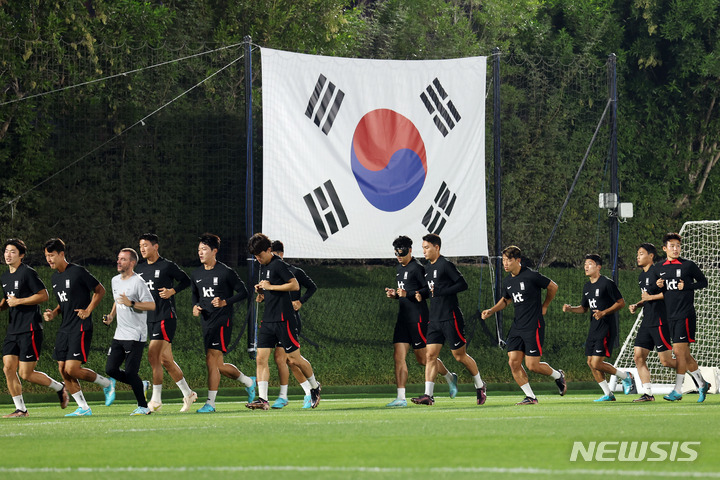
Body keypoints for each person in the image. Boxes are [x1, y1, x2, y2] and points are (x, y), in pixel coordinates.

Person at [481, 245, 566, 405]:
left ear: (518, 260)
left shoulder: (531, 276)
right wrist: (491, 310)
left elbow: (553, 286)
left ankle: (557, 376)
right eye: (504, 260)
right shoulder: (508, 281)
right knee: (513, 361)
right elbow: (506, 300)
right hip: (517, 326)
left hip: (533, 325)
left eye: (509, 260)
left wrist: (545, 305)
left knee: (532, 365)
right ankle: (531, 397)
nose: (505, 263)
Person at [247, 233, 322, 410]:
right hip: (268, 320)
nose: (258, 259)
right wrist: (262, 294)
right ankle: (263, 399)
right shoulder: (263, 266)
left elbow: (294, 285)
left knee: (294, 359)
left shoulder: (278, 264)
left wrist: (270, 287)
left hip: (284, 319)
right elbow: (272, 290)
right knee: (261, 358)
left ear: (268, 250)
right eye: (255, 256)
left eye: (260, 255)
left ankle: (315, 386)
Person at [411, 233, 487, 406]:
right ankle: (428, 396)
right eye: (423, 248)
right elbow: (431, 291)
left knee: (460, 356)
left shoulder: (446, 265)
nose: (424, 251)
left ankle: (480, 385)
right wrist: (421, 294)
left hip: (451, 318)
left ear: (436, 248)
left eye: (427, 247)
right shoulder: (427, 268)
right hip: (435, 320)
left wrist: (442, 291)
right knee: (430, 356)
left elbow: (462, 284)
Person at [43, 238, 115, 416]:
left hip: (80, 326)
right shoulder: (54, 278)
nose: (49, 259)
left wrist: (89, 310)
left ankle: (107, 383)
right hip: (64, 327)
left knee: (72, 369)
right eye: (46, 256)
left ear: (61, 254)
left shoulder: (77, 272)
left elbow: (100, 290)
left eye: (52, 255)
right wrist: (54, 313)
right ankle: (83, 407)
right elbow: (64, 303)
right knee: (62, 369)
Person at [385, 235, 458, 408]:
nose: (399, 257)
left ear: (410, 250)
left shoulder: (418, 268)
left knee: (423, 359)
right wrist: (395, 295)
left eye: (402, 253)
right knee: (398, 356)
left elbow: (427, 290)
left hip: (417, 318)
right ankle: (401, 397)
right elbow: (404, 292)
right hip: (403, 318)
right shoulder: (399, 268)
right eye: (397, 254)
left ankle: (449, 376)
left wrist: (408, 294)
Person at [1, 238, 68, 418]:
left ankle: (59, 387)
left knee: (26, 373)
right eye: (6, 251)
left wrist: (19, 301)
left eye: (13, 251)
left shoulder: (28, 273)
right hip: (13, 329)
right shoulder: (5, 276)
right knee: (8, 368)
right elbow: (8, 299)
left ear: (21, 255)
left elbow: (43, 295)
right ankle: (21, 409)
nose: (8, 254)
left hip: (30, 328)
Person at [191, 233, 255, 413]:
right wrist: (195, 307)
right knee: (218, 365)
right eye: (199, 250)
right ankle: (249, 382)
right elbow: (195, 295)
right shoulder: (196, 274)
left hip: (222, 321)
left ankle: (210, 403)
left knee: (211, 359)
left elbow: (244, 292)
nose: (200, 253)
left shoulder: (226, 272)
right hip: (207, 322)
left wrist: (225, 302)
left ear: (214, 251)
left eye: (204, 249)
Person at [136, 234, 197, 413]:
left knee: (153, 355)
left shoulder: (167, 266)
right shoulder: (139, 269)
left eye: (145, 245)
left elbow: (186, 281)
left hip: (165, 316)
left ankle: (155, 400)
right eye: (140, 245)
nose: (142, 248)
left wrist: (172, 291)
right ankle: (188, 393)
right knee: (166, 361)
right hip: (149, 319)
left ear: (156, 246)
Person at [562, 254, 633, 402]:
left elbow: (621, 303)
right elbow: (584, 308)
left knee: (596, 363)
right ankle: (608, 394)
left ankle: (625, 376)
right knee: (590, 363)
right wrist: (570, 309)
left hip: (606, 327)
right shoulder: (587, 286)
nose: (586, 267)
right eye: (585, 264)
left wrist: (604, 312)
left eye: (590, 264)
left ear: (598, 267)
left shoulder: (607, 283)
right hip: (593, 328)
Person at [651, 232, 710, 402]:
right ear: (665, 248)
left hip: (685, 314)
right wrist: (657, 286)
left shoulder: (688, 265)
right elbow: (655, 292)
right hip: (669, 315)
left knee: (678, 353)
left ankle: (677, 390)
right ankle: (702, 384)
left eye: (678, 245)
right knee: (685, 355)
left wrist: (688, 285)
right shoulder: (659, 268)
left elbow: (703, 282)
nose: (675, 248)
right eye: (672, 245)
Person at [103, 248, 156, 415]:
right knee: (110, 370)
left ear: (132, 263)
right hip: (119, 333)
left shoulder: (138, 282)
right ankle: (141, 384)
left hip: (136, 334)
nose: (119, 262)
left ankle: (143, 407)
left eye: (123, 259)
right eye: (118, 258)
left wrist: (131, 303)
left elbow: (151, 305)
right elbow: (117, 300)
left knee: (131, 372)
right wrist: (111, 315)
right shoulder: (114, 280)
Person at [269, 240, 319, 409]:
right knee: (286, 359)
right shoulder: (270, 273)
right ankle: (307, 390)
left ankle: (310, 389)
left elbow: (312, 287)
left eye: (276, 254)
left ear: (281, 254)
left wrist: (300, 301)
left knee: (291, 358)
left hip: (291, 320)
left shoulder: (294, 271)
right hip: (277, 319)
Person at [627, 243, 677, 402]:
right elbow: (647, 297)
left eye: (641, 254)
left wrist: (649, 298)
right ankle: (648, 394)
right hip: (646, 321)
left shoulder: (658, 271)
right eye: (637, 254)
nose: (638, 256)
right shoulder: (642, 276)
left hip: (660, 320)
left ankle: (696, 375)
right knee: (638, 356)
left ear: (651, 256)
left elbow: (670, 294)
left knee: (666, 361)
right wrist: (638, 304)